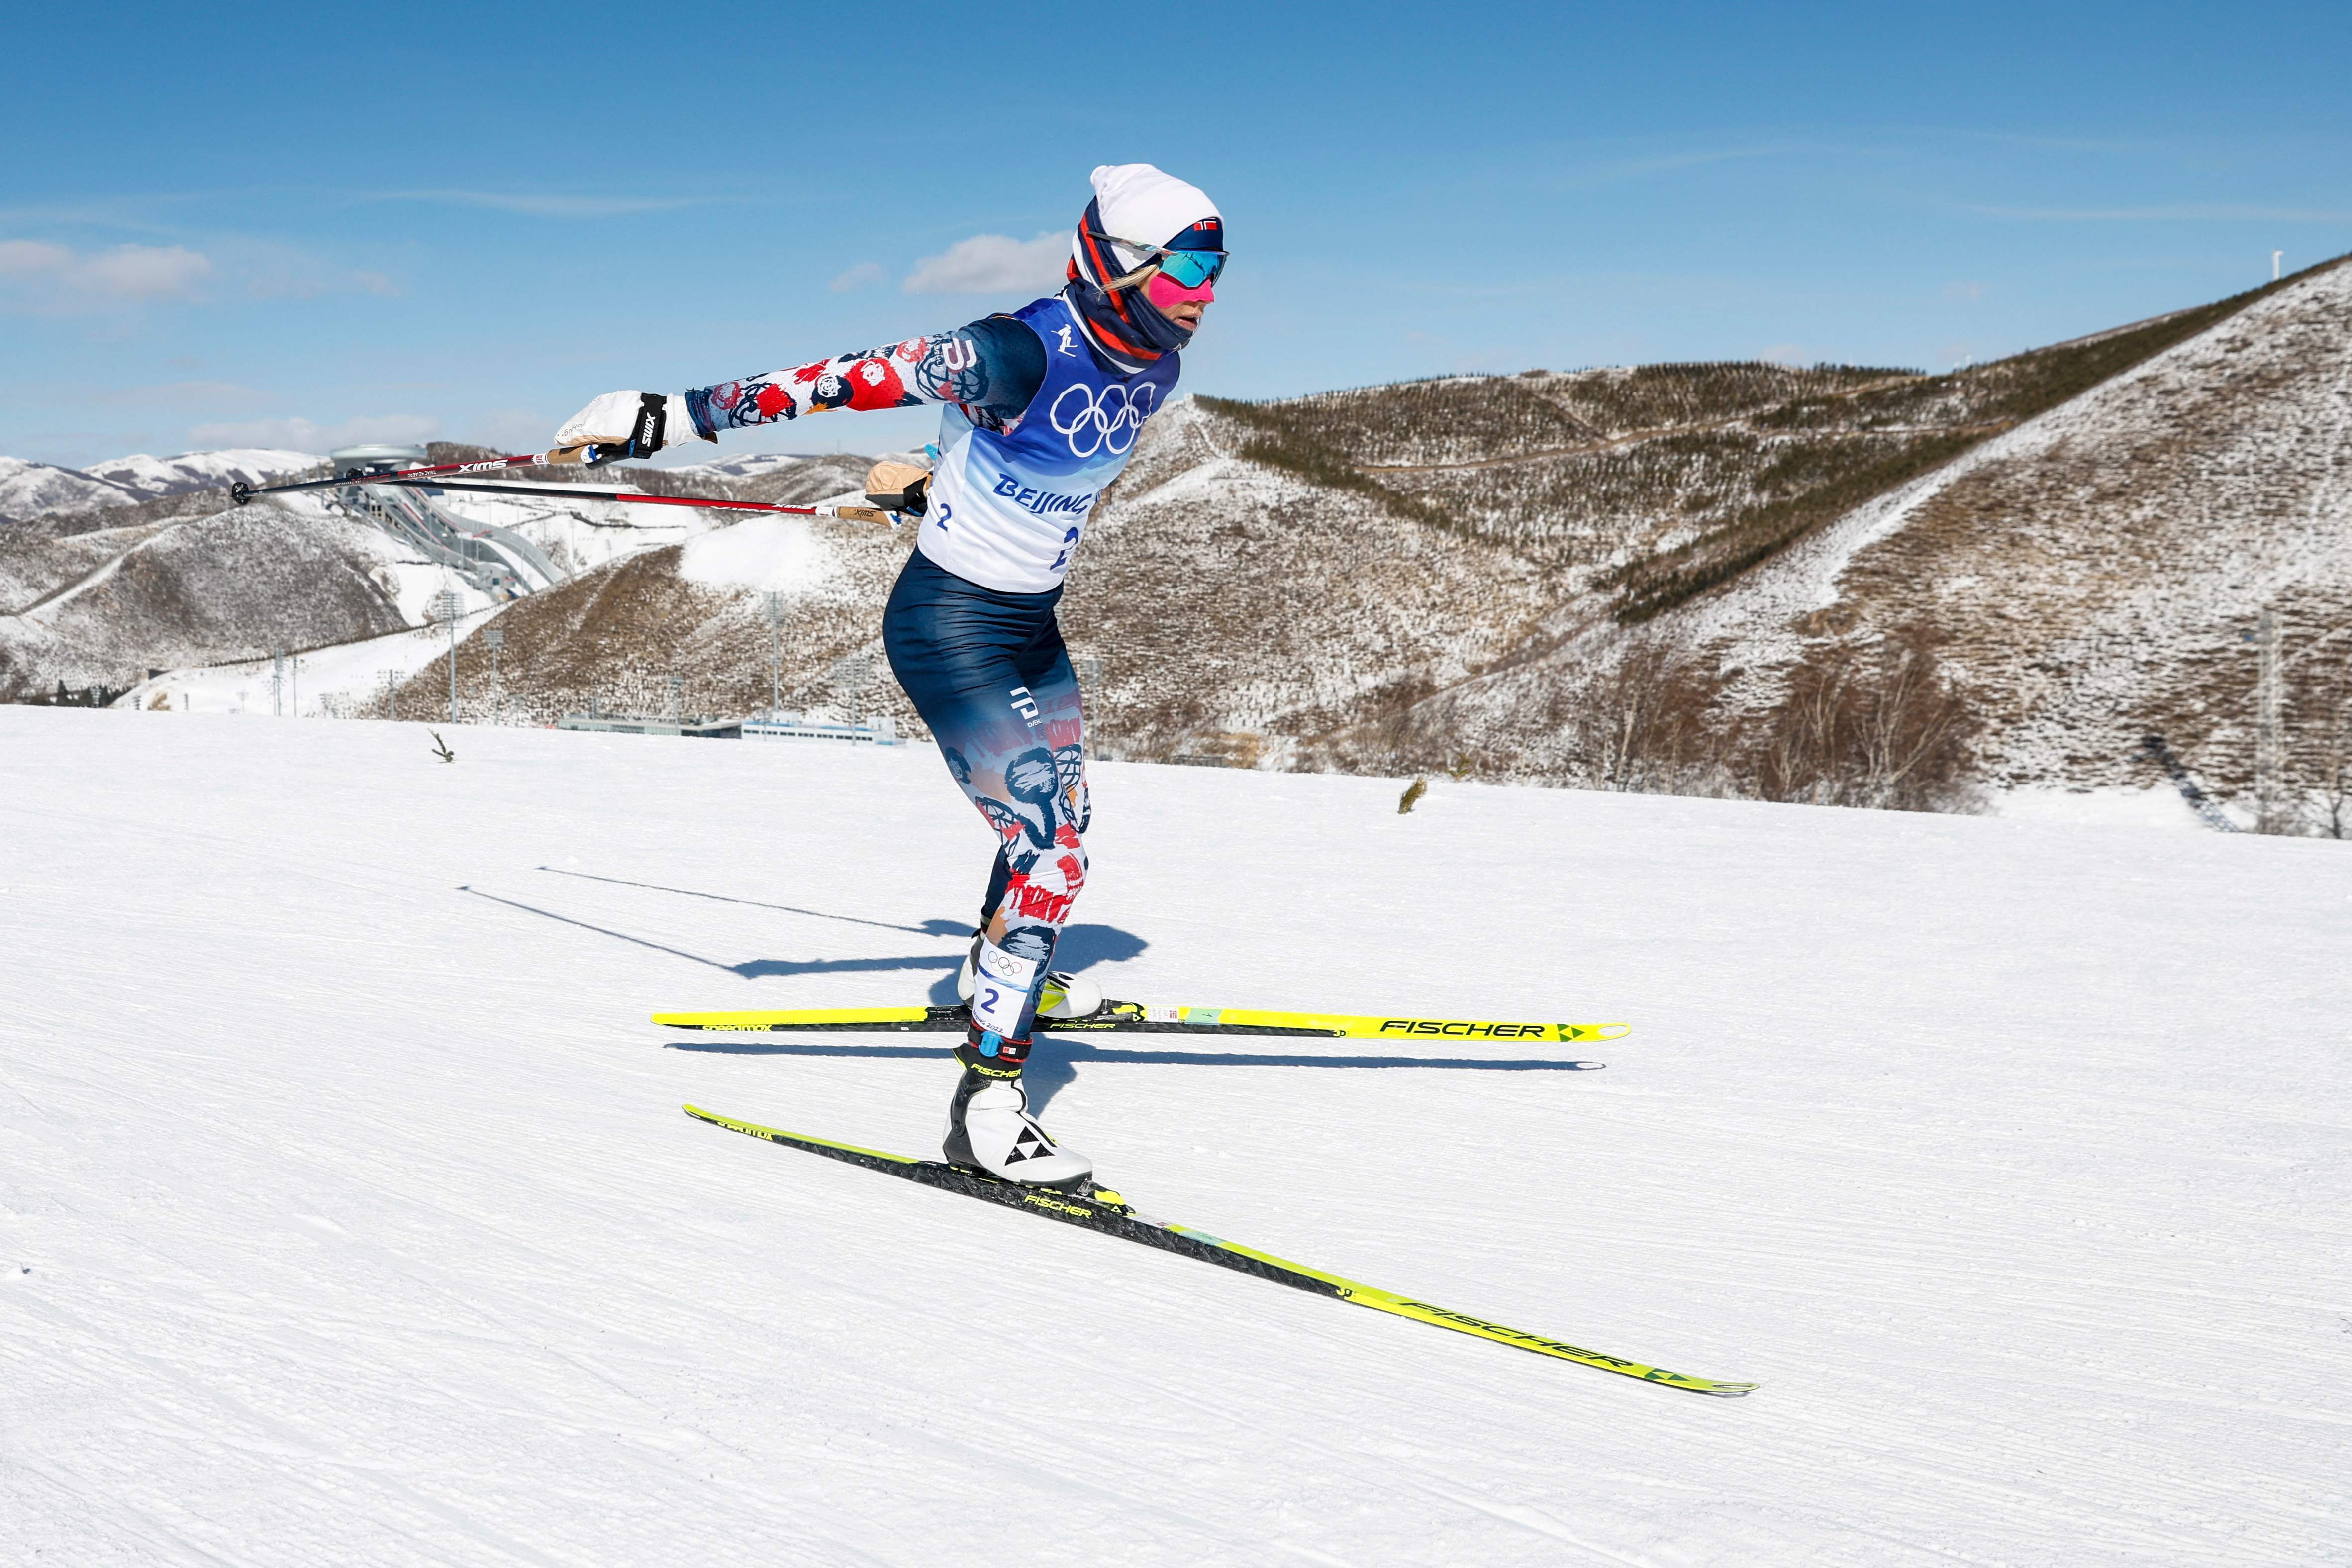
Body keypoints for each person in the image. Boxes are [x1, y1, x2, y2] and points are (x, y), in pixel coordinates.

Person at [553, 164, 1225, 1191]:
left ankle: (991, 974)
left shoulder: (1156, 361)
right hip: (951, 624)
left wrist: (932, 478)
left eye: (1217, 264)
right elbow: (843, 378)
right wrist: (671, 414)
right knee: (1052, 857)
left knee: (1067, 817)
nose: (1206, 289)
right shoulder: (1014, 345)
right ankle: (988, 1110)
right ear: (1120, 264)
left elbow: (1022, 453)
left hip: (1028, 622)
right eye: (1186, 264)